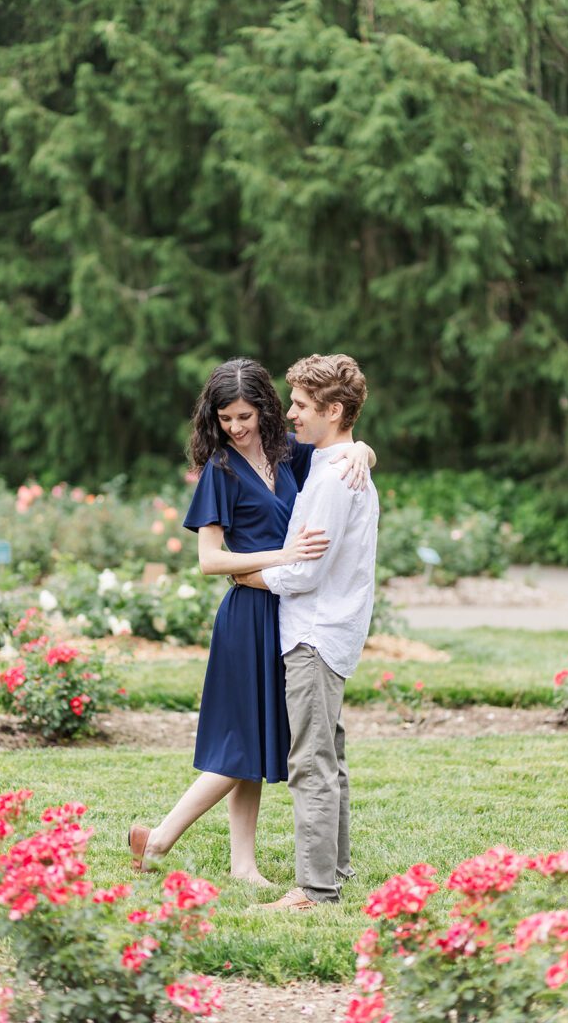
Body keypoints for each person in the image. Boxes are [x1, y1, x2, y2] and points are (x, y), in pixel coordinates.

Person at [128, 358, 374, 885]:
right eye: (225, 418)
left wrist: (362, 450)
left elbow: (341, 445)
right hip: (248, 613)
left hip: (287, 613)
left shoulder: (290, 455)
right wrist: (282, 558)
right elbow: (210, 561)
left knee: (260, 738)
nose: (235, 428)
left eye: (244, 415)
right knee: (242, 743)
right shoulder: (219, 471)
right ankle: (160, 839)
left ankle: (243, 865)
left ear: (264, 410)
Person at [234, 354, 379, 909]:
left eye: (300, 404)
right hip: (330, 632)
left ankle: (315, 889)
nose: (290, 413)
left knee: (311, 762)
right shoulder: (339, 463)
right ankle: (334, 869)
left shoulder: (335, 479)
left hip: (315, 634)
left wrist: (247, 573)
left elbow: (304, 570)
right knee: (329, 757)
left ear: (333, 410)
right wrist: (364, 446)